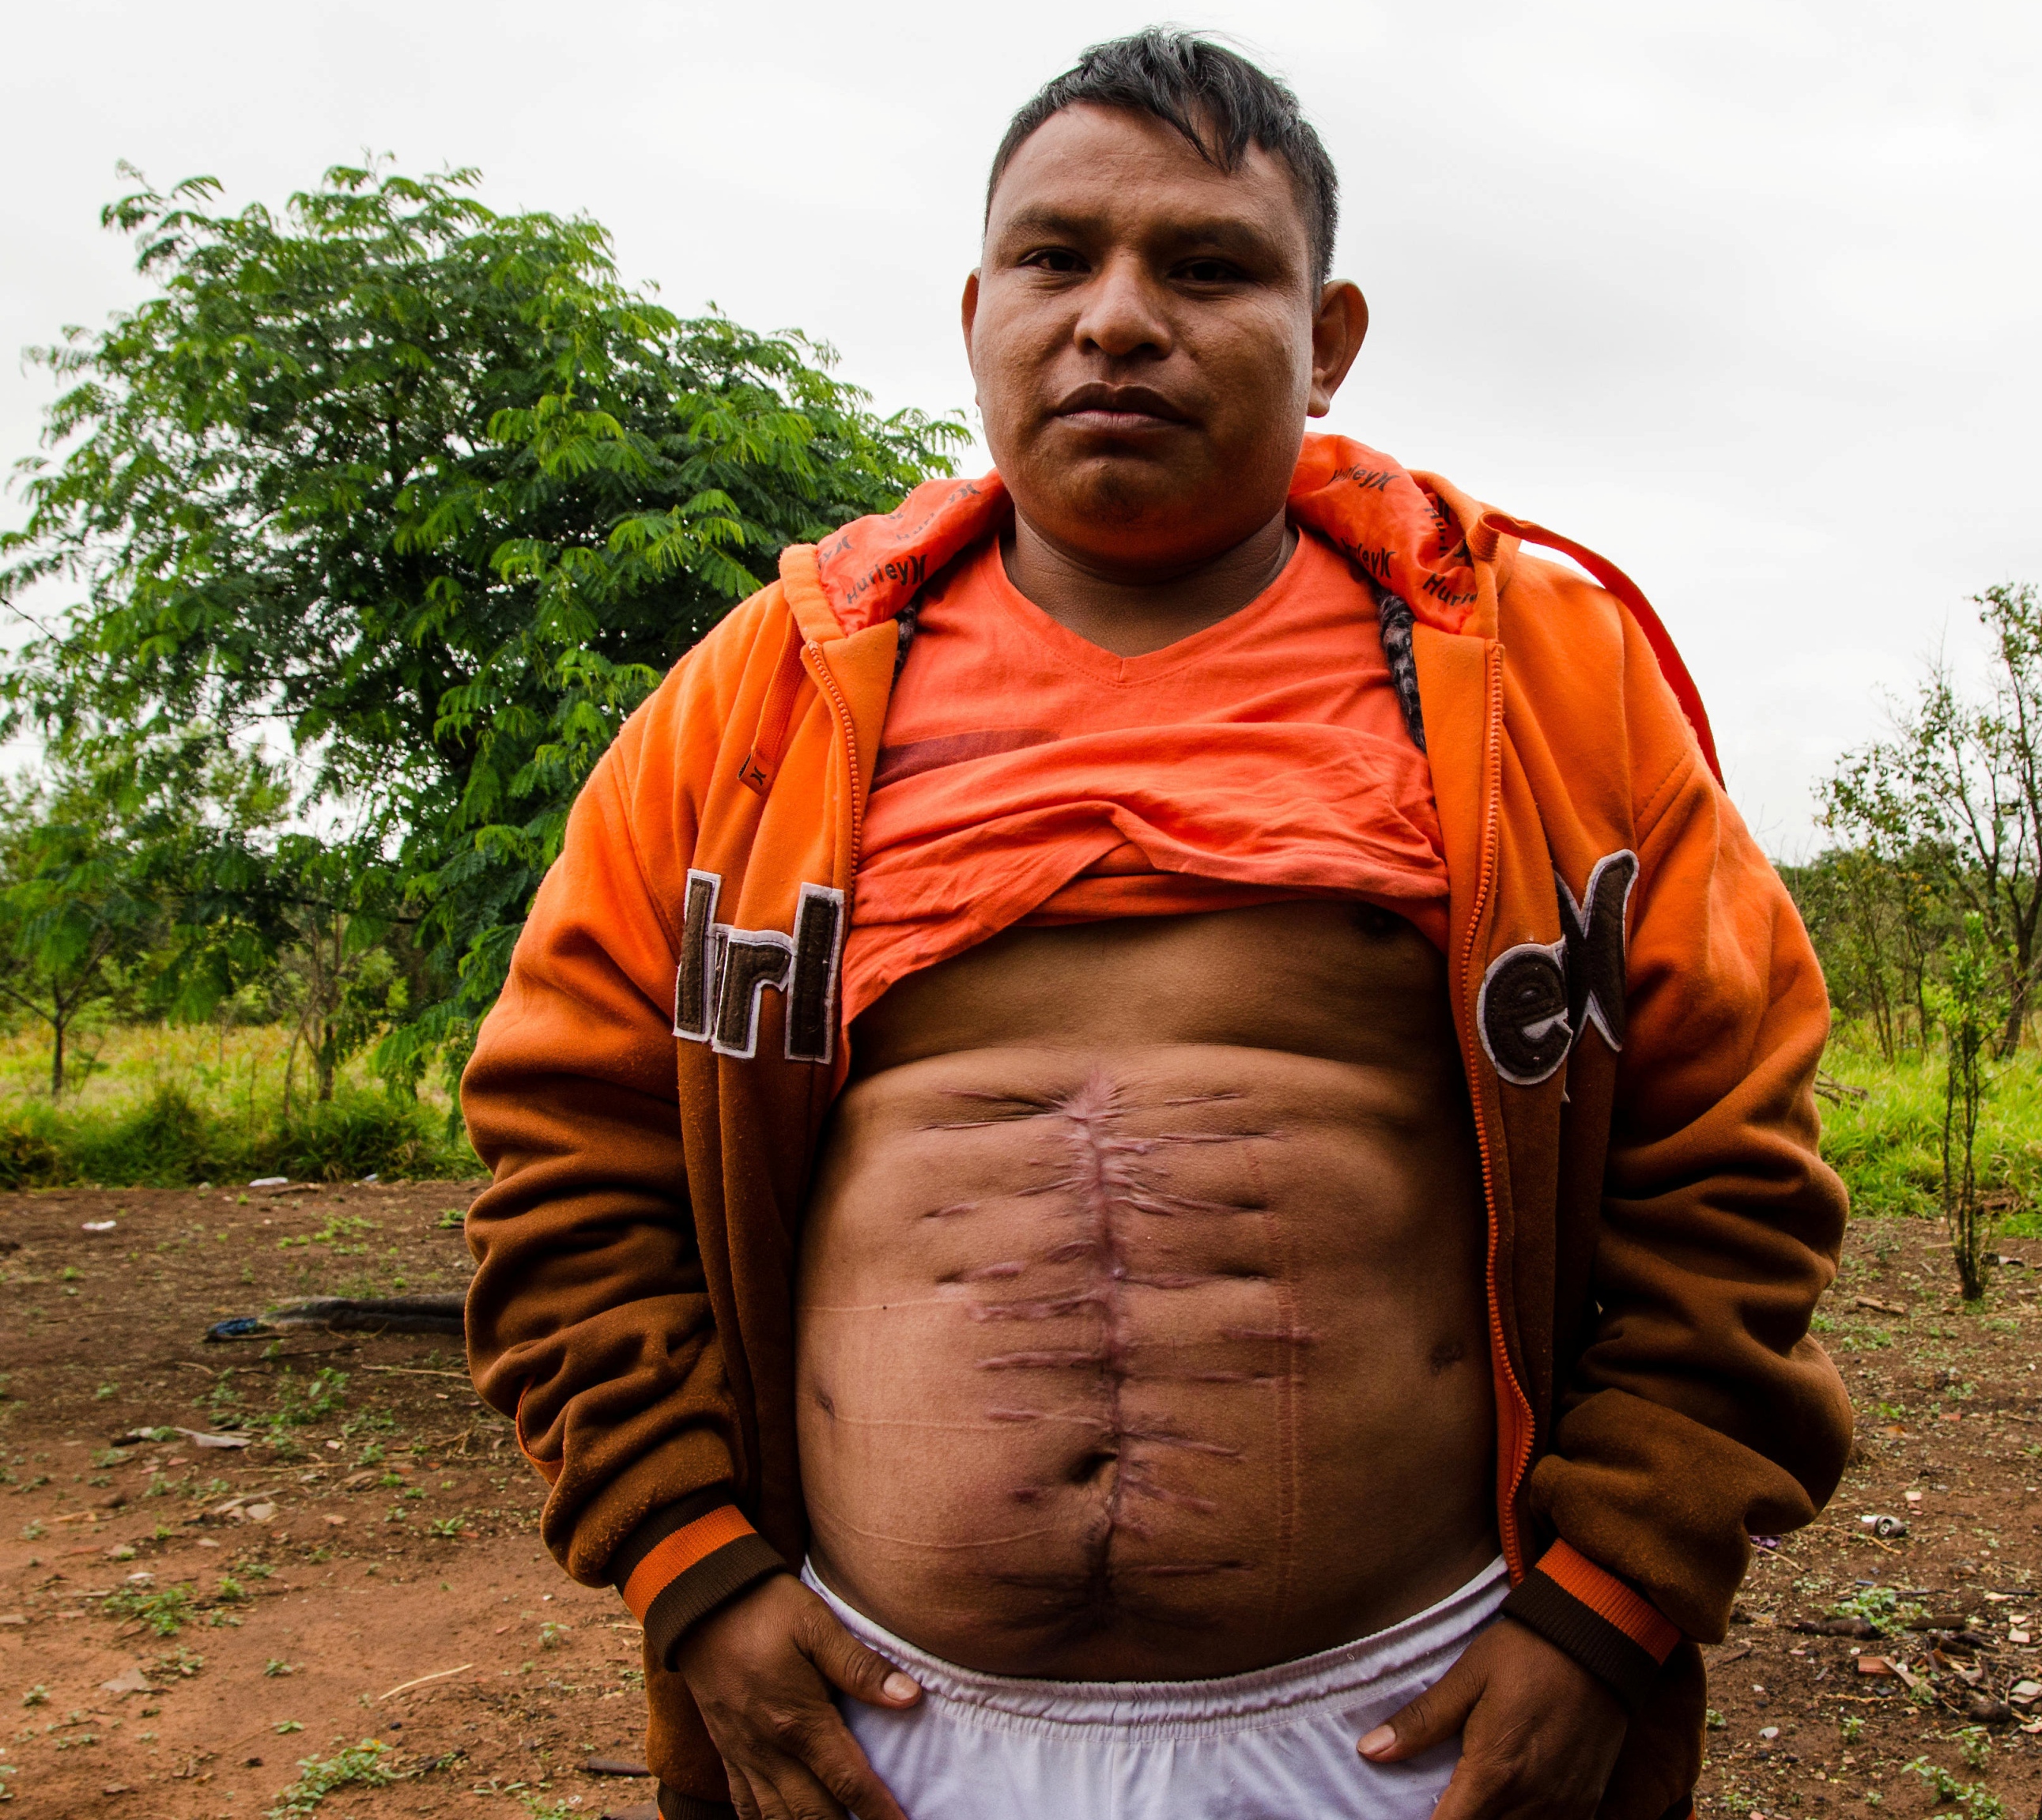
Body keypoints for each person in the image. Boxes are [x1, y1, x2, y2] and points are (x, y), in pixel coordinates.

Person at [462, 28, 1851, 1820]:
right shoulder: (760, 708)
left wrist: (1603, 1610)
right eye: (1058, 258)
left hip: (1407, 1727)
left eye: (1206, 265)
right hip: (883, 1726)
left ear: (1327, 338)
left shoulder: (1542, 689)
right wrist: (695, 1567)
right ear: (977, 312)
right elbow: (567, 1164)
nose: (1117, 317)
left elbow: (1728, 1165)